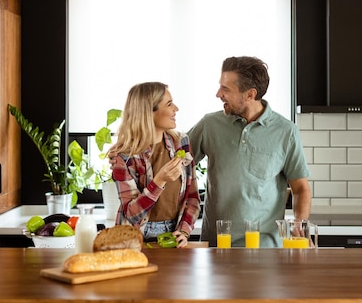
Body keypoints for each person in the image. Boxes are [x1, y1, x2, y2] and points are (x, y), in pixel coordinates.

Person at [188, 56, 311, 247]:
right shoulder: (209, 125)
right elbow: (176, 164)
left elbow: (301, 188)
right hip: (217, 246)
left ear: (250, 94)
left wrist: (299, 224)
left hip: (266, 250)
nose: (218, 94)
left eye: (226, 89)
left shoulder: (286, 131)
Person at [107, 82, 200, 248]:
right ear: (148, 112)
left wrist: (184, 231)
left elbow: (192, 198)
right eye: (169, 104)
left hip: (173, 234)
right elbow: (131, 214)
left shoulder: (181, 142)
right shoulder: (123, 155)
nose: (176, 109)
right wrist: (159, 182)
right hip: (133, 237)